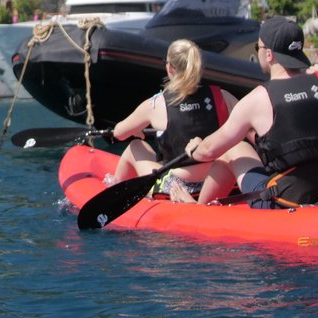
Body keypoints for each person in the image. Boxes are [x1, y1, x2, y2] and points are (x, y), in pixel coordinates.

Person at [184, 16, 318, 208]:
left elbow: (210, 150)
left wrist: (195, 149)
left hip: (287, 199)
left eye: (258, 48)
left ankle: (198, 211)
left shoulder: (257, 99)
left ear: (269, 54)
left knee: (232, 150)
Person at [105, 39, 261, 202]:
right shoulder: (222, 96)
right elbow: (252, 132)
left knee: (135, 146)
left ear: (170, 67)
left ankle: (116, 187)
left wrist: (135, 129)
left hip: (177, 187)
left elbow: (119, 133)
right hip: (220, 182)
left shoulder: (156, 105)